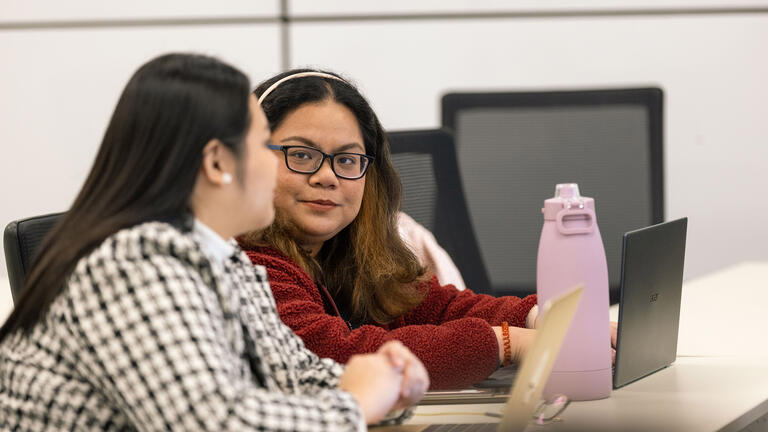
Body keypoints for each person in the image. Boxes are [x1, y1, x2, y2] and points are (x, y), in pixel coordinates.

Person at [0, 55, 428, 431]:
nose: (283, 168)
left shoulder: (226, 262)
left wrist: (387, 384)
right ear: (218, 163)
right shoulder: (136, 265)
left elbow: (294, 379)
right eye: (266, 145)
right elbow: (213, 424)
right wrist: (354, 402)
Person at [238, 69, 541, 390]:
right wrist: (506, 343)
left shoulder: (351, 252)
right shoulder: (243, 258)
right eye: (300, 155)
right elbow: (335, 354)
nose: (327, 176)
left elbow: (443, 309)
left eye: (347, 160)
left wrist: (537, 317)